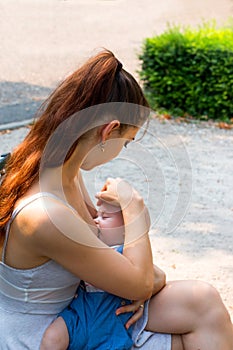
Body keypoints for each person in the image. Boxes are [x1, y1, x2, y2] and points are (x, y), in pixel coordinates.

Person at [0, 49, 232, 350]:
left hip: (80, 313)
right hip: (44, 337)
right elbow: (137, 283)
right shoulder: (45, 213)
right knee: (198, 326)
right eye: (127, 141)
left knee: (204, 302)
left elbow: (124, 267)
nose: (123, 149)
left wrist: (150, 280)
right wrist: (135, 210)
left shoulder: (60, 171)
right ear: (109, 131)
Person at [40, 199, 137, 350]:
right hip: (80, 313)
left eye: (104, 217)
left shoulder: (128, 253)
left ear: (127, 228)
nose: (96, 221)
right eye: (97, 216)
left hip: (110, 322)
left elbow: (149, 277)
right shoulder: (91, 247)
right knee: (52, 338)